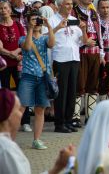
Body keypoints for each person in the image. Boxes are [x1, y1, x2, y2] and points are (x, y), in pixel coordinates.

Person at [0, 88, 76, 174]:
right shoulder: (7, 150)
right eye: (18, 109)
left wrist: (57, 168)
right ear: (8, 115)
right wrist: (70, 166)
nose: (21, 114)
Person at [48, 0, 88, 133]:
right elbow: (45, 38)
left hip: (74, 58)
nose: (70, 6)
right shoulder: (52, 20)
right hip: (60, 59)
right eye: (67, 4)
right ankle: (59, 123)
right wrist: (58, 27)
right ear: (59, 5)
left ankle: (69, 120)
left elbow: (84, 41)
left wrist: (83, 30)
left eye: (71, 3)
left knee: (72, 91)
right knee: (61, 92)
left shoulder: (74, 20)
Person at [18, 10, 55, 149]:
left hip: (43, 77)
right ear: (28, 21)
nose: (37, 22)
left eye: (38, 20)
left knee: (40, 109)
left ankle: (37, 140)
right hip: (27, 76)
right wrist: (30, 29)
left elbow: (52, 44)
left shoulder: (45, 38)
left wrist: (49, 27)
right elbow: (27, 47)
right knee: (21, 107)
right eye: (33, 19)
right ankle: (9, 139)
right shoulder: (23, 38)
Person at [71, 0, 105, 126]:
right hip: (81, 53)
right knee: (79, 85)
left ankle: (90, 116)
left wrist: (101, 53)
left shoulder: (94, 12)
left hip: (95, 53)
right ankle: (75, 117)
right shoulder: (73, 13)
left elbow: (99, 34)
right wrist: (84, 42)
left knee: (92, 85)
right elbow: (70, 35)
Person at [0, 0, 32, 131]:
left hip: (18, 63)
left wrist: (17, 53)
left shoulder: (18, 25)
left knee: (23, 91)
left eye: (5, 8)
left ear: (10, 10)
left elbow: (24, 43)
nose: (3, 10)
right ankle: (6, 121)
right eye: (1, 8)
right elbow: (0, 48)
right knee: (6, 93)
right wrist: (12, 54)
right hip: (4, 64)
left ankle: (25, 122)